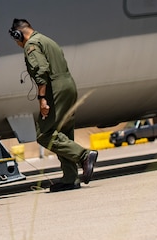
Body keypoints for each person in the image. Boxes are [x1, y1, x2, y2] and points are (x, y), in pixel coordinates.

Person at [9, 18, 97, 191]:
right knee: (63, 132)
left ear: (18, 34)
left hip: (54, 88)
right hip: (68, 85)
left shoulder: (31, 45)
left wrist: (42, 99)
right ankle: (70, 178)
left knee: (45, 134)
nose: (18, 44)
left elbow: (41, 69)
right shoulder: (46, 40)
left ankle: (84, 156)